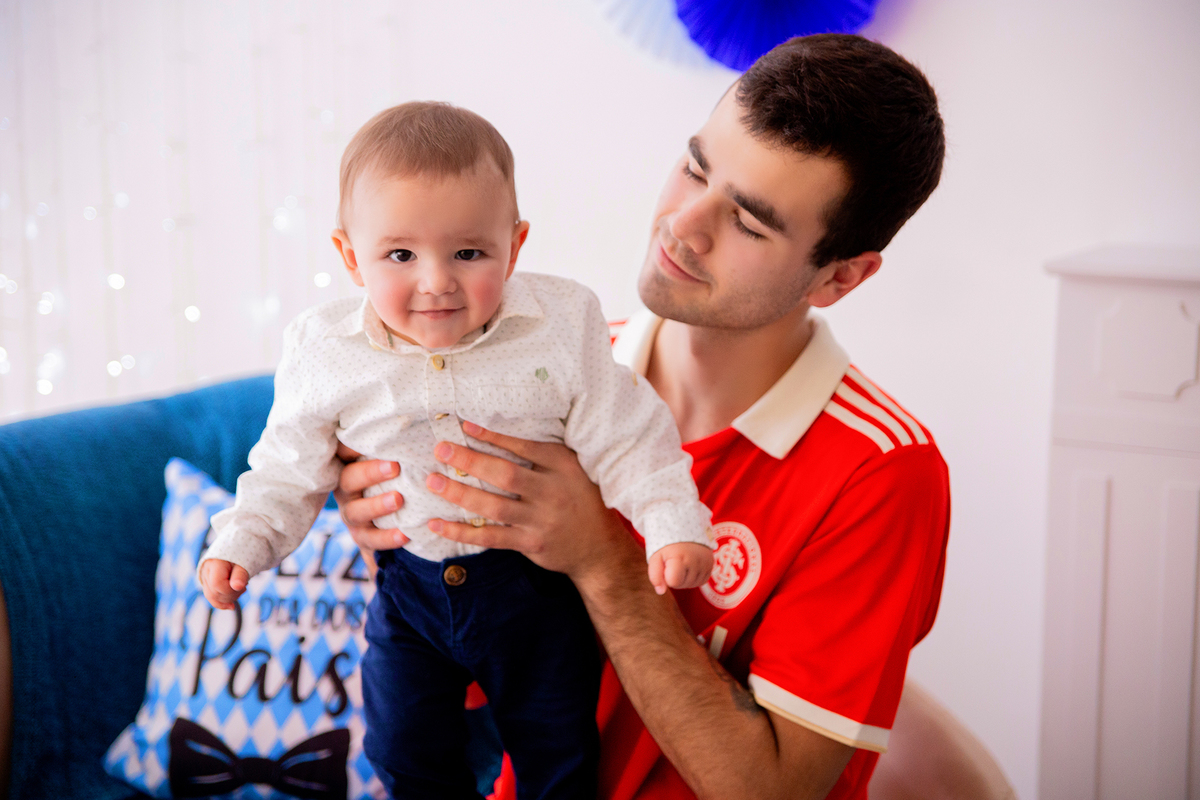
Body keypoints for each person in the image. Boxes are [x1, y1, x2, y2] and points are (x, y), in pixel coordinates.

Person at [336, 33, 951, 800]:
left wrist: (602, 558)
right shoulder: (544, 373)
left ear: (840, 277)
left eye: (751, 224)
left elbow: (772, 790)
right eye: (695, 167)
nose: (683, 225)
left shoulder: (880, 473)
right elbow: (465, 680)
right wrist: (400, 538)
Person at [196, 102, 716, 799]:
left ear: (515, 244)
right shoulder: (325, 351)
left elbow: (626, 432)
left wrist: (669, 520)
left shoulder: (561, 327)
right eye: (400, 255)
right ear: (351, 256)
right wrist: (243, 543)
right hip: (408, 590)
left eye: (468, 253)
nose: (436, 280)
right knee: (402, 747)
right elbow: (286, 465)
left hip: (531, 588)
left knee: (557, 749)